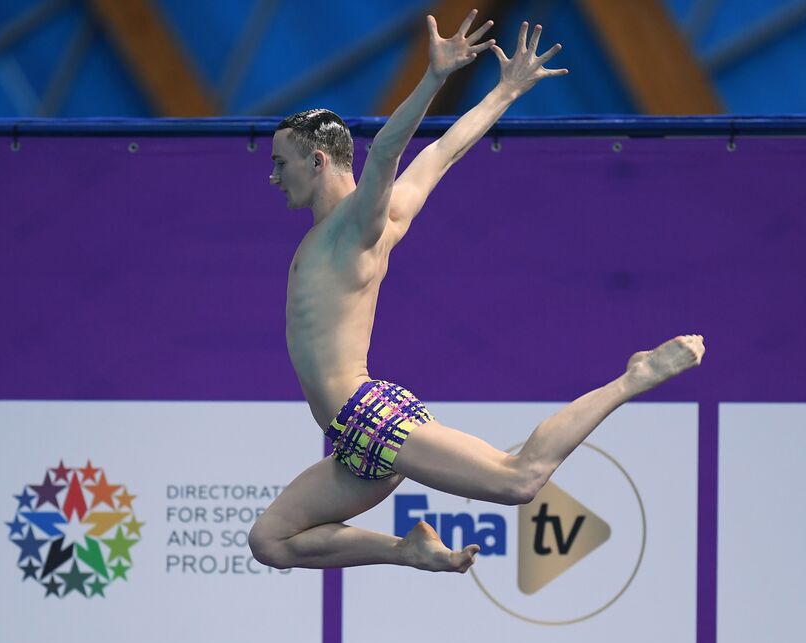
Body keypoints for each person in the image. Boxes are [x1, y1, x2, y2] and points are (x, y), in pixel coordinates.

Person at [248, 10, 704, 573]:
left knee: (519, 479)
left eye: (280, 164)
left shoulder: (353, 226)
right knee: (270, 540)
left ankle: (634, 377)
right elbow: (443, 154)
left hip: (367, 417)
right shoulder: (369, 220)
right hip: (351, 437)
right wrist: (505, 90)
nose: (273, 177)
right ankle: (407, 550)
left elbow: (390, 150)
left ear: (317, 161)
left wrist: (433, 78)